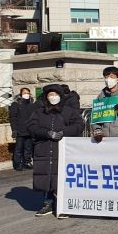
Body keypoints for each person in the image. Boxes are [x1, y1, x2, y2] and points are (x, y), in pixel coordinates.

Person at [27, 84, 84, 217]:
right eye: (50, 95)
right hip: (44, 148)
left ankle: (63, 205)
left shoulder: (69, 111)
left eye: (56, 95)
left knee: (62, 177)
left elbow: (79, 125)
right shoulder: (38, 112)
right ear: (46, 97)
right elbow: (31, 127)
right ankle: (48, 203)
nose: (53, 97)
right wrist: (47, 133)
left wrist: (63, 132)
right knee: (46, 176)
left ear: (61, 96)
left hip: (63, 150)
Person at [9, 87, 37, 171]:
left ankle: (27, 162)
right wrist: (14, 129)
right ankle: (18, 164)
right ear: (21, 94)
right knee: (19, 148)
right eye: (24, 93)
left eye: (28, 93)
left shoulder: (32, 104)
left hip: (29, 130)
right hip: (20, 130)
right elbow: (13, 118)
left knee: (28, 148)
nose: (26, 94)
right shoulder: (16, 104)